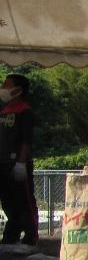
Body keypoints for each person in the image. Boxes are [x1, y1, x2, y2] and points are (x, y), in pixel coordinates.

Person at [0, 74, 39, 246]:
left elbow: (26, 140)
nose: (3, 88)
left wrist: (21, 163)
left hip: (17, 163)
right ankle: (11, 234)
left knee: (24, 200)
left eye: (6, 85)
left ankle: (31, 234)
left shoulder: (25, 111)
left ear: (17, 90)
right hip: (2, 162)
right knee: (7, 201)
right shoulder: (3, 110)